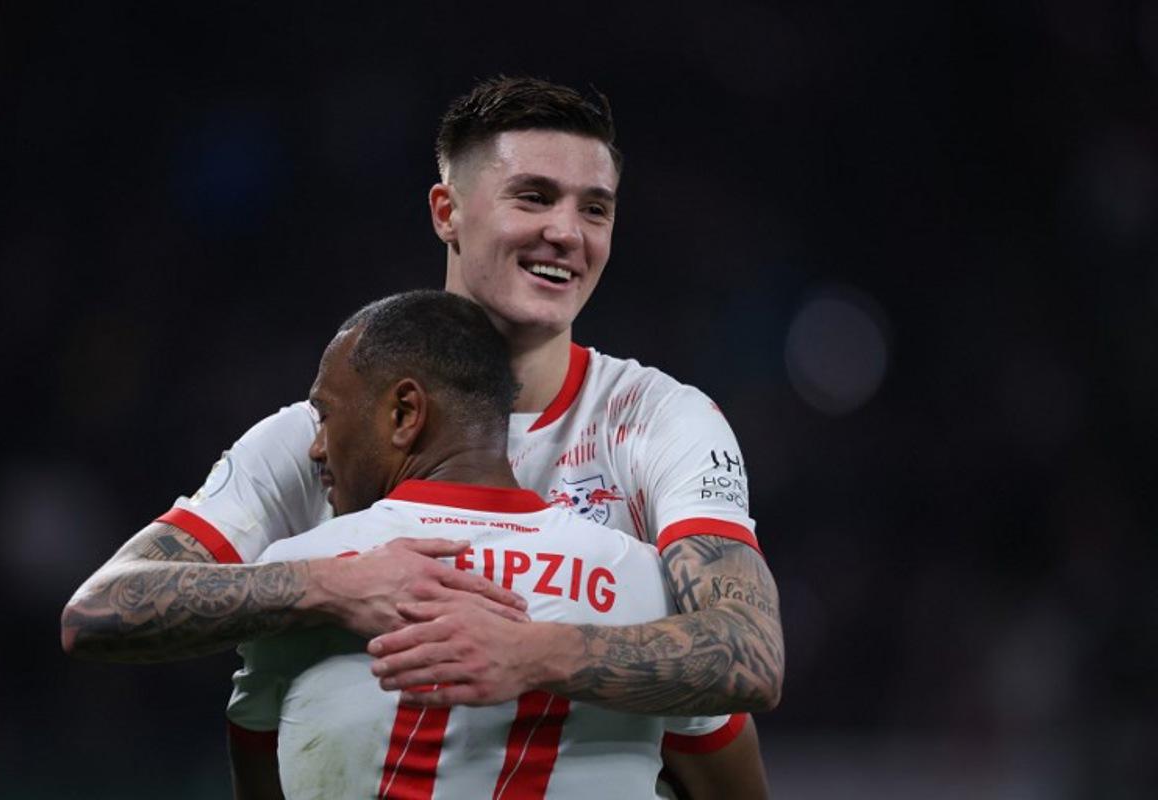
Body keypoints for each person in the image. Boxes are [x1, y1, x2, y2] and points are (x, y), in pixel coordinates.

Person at [61, 75, 782, 789]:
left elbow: (750, 651)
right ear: (448, 210)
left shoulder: (658, 420)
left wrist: (528, 653)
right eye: (533, 196)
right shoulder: (325, 433)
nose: (566, 232)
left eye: (595, 209)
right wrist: (325, 586)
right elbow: (100, 611)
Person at [227, 290, 765, 799]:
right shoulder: (647, 588)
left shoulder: (296, 573)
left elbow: (261, 769)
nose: (316, 448)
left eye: (325, 416)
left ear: (404, 414)